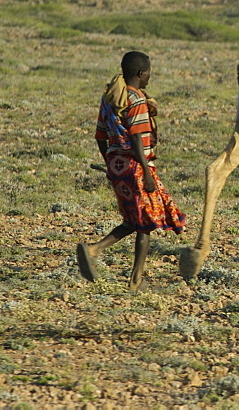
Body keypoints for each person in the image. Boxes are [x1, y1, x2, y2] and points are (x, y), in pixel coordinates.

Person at [77, 51, 186, 290]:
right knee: (145, 223)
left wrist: (109, 164)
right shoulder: (135, 100)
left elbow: (100, 136)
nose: (149, 77)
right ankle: (122, 271)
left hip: (118, 165)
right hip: (137, 166)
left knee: (135, 220)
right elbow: (137, 138)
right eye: (148, 73)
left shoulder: (110, 98)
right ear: (140, 73)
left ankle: (126, 273)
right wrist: (147, 172)